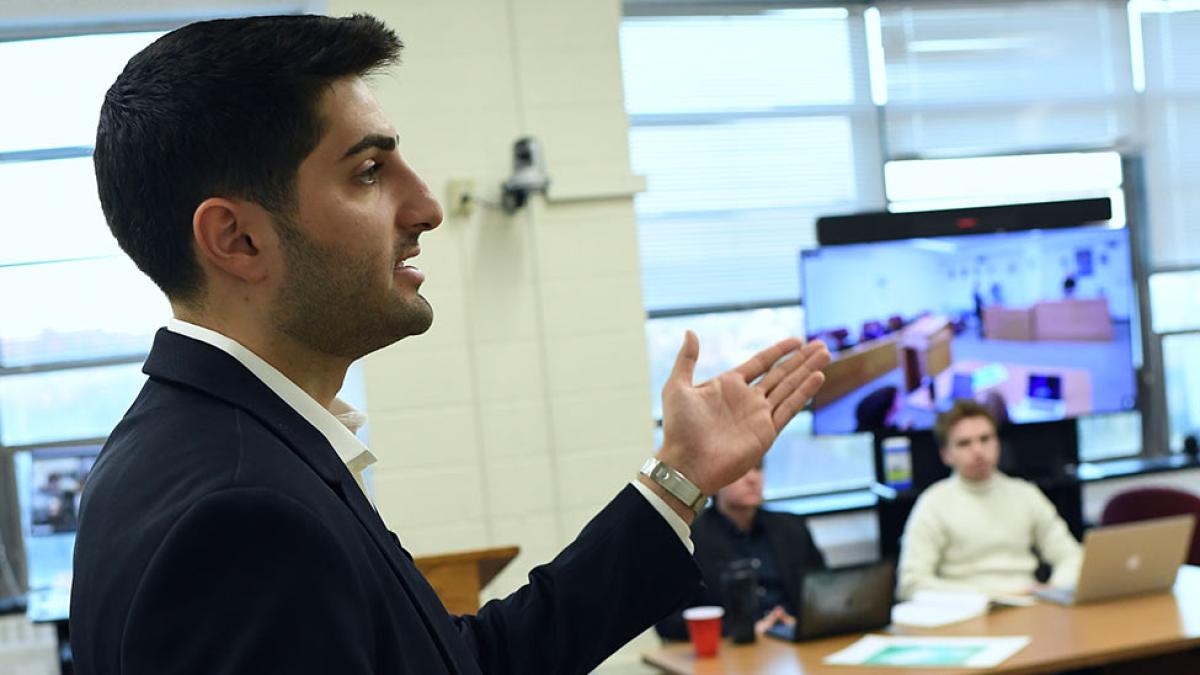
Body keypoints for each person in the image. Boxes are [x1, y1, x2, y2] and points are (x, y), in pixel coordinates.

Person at [67, 14, 832, 675]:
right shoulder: (244, 513)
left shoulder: (200, 448)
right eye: (368, 172)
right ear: (236, 238)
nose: (427, 206)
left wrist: (680, 477)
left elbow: (459, 661)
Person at [896, 400, 1081, 600]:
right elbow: (911, 584)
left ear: (997, 443)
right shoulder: (933, 504)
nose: (977, 451)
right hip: (965, 613)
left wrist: (1054, 589)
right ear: (946, 455)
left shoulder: (1025, 494)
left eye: (985, 439)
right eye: (964, 443)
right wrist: (988, 596)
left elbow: (1071, 556)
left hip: (1028, 605)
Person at [654, 462, 826, 641]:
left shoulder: (791, 527)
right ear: (716, 482)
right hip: (732, 648)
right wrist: (744, 629)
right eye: (741, 471)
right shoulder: (689, 537)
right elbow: (668, 623)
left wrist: (802, 622)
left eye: (758, 469)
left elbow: (824, 591)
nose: (753, 479)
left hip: (793, 639)